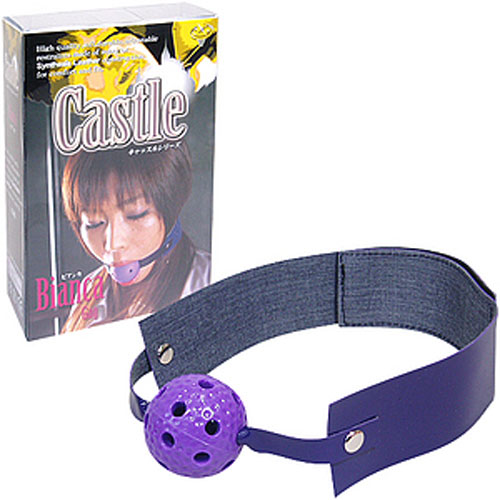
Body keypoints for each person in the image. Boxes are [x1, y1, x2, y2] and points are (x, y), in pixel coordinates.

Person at [60, 142, 210, 333]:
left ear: (169, 211)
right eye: (93, 223)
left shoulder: (207, 278)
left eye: (136, 214)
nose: (113, 244)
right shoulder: (90, 287)